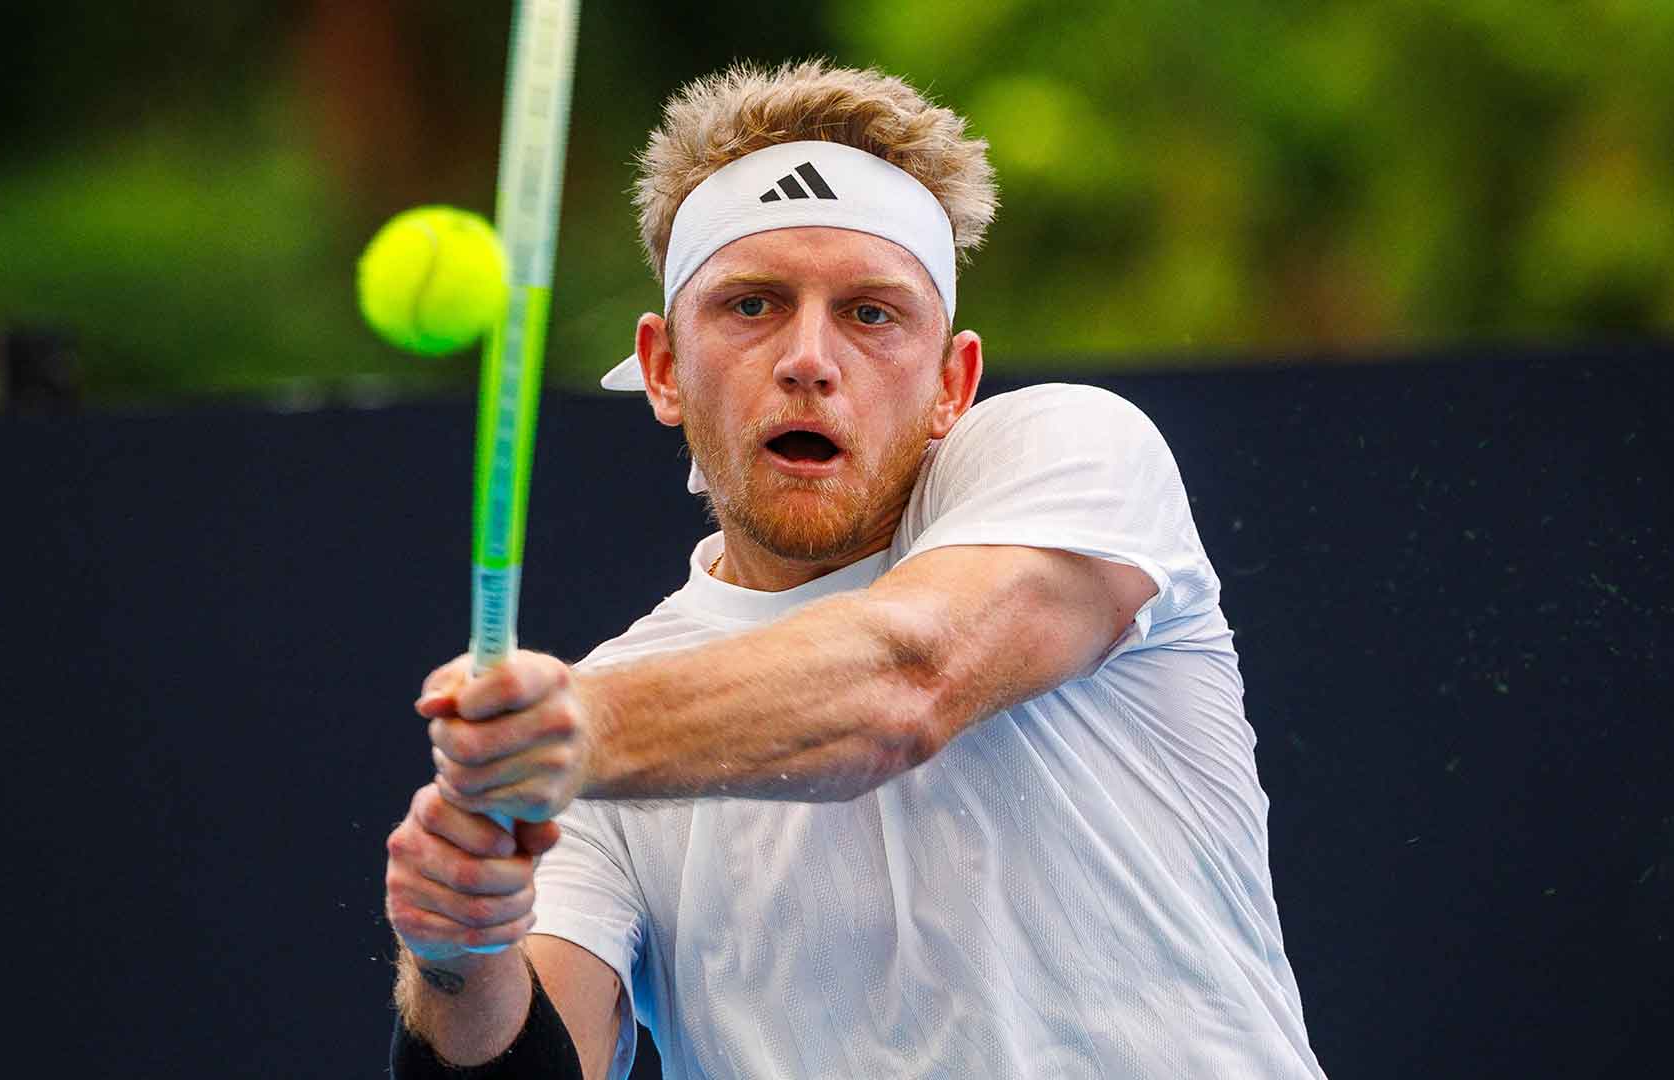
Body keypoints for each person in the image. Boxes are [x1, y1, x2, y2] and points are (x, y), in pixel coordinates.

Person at [383, 59, 1327, 1079]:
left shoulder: (1077, 449)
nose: (808, 359)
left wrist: (583, 733)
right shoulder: (596, 732)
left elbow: (906, 681)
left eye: (871, 314)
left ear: (951, 383)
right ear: (662, 368)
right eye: (752, 306)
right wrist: (455, 957)